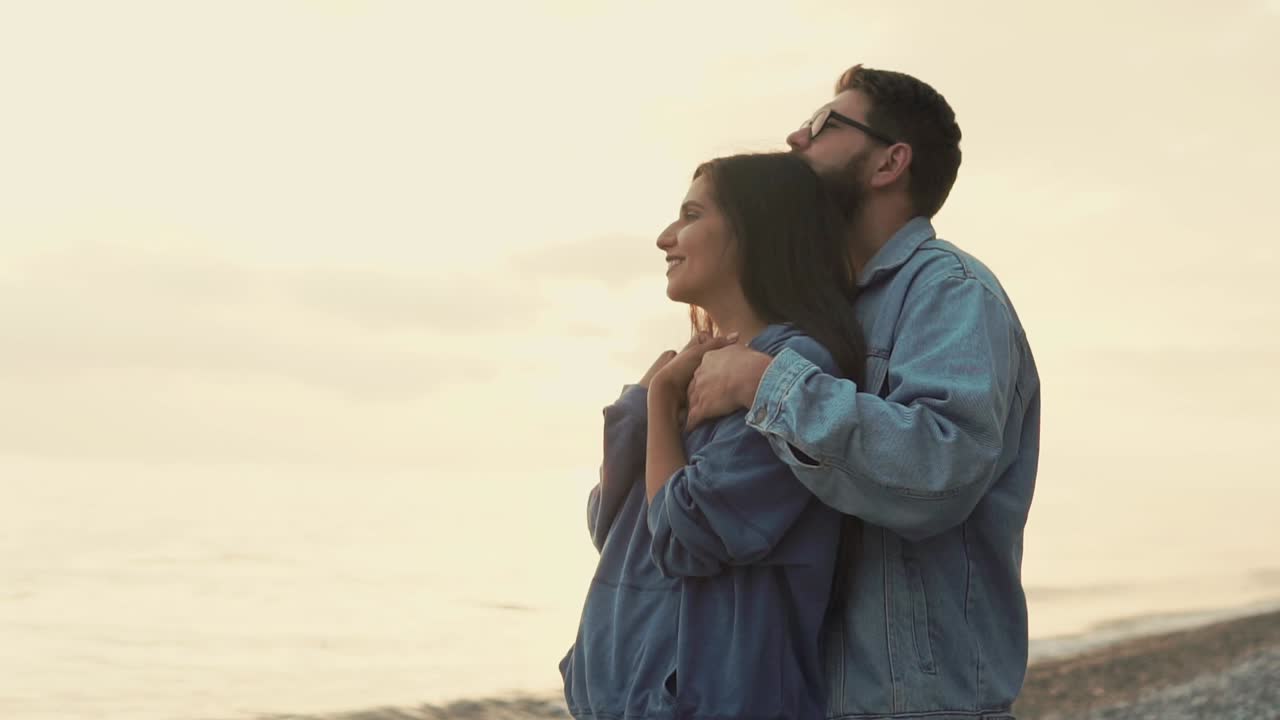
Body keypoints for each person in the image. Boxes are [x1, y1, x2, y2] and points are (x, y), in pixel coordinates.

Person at [683, 65, 1041, 719]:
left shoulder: (949, 292)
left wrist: (764, 382)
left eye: (823, 125)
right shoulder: (819, 310)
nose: (795, 137)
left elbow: (941, 467)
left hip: (915, 704)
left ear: (888, 164)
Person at [559, 152, 866, 720]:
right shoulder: (698, 372)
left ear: (756, 232)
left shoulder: (787, 372)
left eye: (692, 215)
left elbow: (679, 536)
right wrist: (640, 412)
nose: (665, 237)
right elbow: (612, 529)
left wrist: (656, 405)